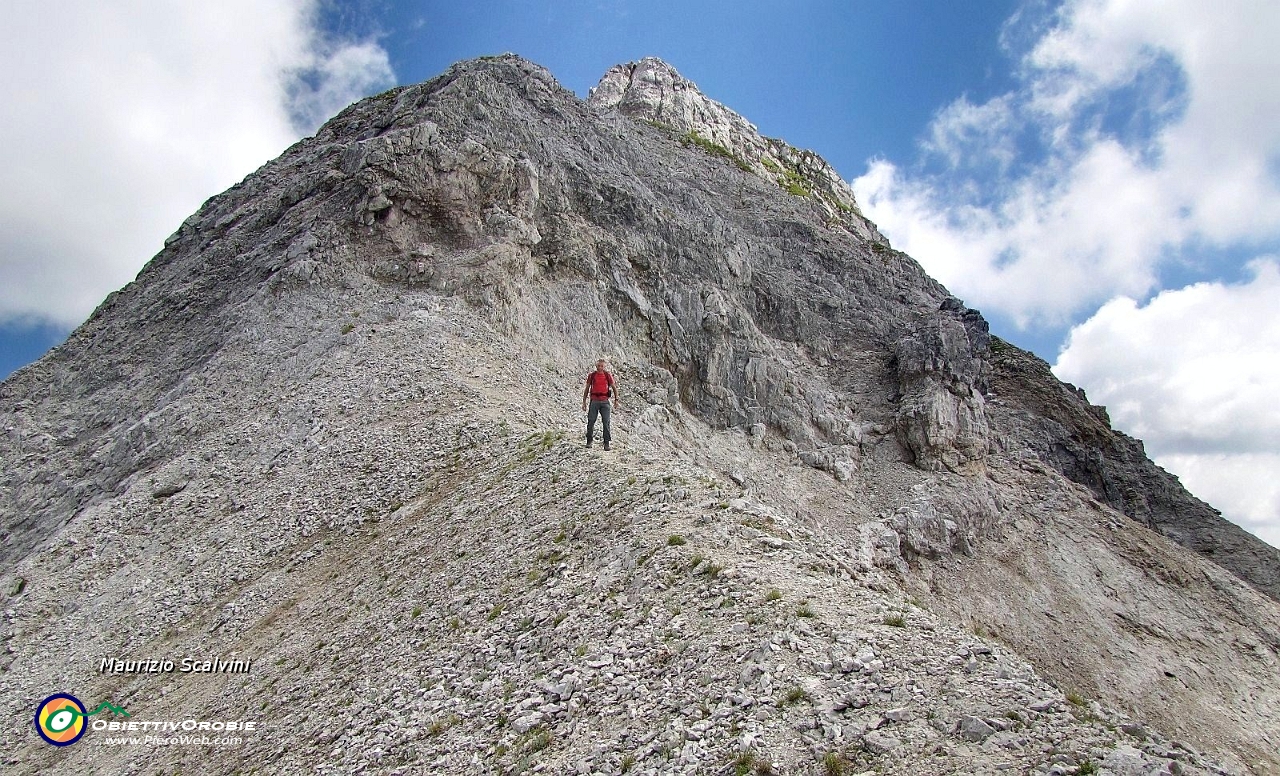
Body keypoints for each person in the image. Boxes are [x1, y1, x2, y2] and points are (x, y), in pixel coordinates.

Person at [582, 358, 618, 450]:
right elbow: (587, 388)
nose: (600, 368)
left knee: (606, 422)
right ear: (596, 366)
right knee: (591, 421)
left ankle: (606, 443)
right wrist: (584, 402)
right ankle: (589, 441)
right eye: (598, 366)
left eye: (602, 366)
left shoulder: (607, 375)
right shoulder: (592, 375)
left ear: (604, 366)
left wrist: (616, 400)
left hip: (605, 402)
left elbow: (614, 387)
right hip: (594, 401)